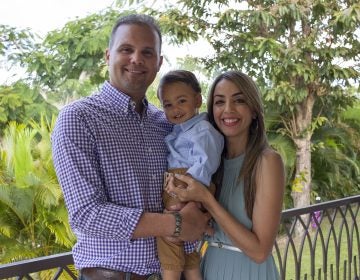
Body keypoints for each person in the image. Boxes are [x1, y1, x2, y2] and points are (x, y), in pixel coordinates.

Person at [51, 14, 212, 280]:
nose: (136, 59)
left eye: (147, 52)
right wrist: (177, 224)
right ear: (107, 55)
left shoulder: (167, 123)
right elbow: (87, 214)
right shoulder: (79, 118)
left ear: (158, 63)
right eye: (126, 49)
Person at [166, 71, 285, 280]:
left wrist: (206, 199)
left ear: (254, 110)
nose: (228, 110)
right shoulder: (211, 162)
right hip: (209, 267)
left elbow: (260, 252)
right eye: (220, 102)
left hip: (248, 271)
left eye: (239, 100)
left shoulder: (267, 161)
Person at [156, 70, 224, 280]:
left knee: (169, 236)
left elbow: (206, 162)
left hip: (188, 184)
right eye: (168, 105)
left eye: (181, 101)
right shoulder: (180, 130)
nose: (175, 109)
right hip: (181, 183)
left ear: (198, 99)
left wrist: (188, 197)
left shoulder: (202, 130)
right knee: (187, 245)